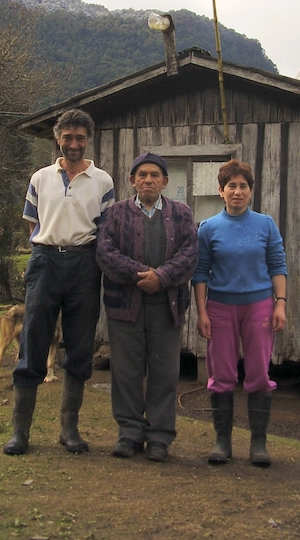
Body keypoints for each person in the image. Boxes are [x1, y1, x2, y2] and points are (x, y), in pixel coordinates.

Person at [4, 108, 115, 456]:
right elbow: (31, 223)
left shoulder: (103, 181)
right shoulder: (40, 178)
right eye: (67, 137)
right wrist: (45, 251)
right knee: (33, 340)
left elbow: (107, 230)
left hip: (85, 263)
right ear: (58, 138)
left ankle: (69, 430)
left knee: (80, 347)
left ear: (88, 140)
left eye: (80, 137)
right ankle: (20, 432)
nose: (73, 144)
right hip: (46, 260)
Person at [96, 152, 198, 462]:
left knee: (164, 372)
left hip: (167, 305)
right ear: (132, 181)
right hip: (125, 305)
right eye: (142, 175)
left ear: (165, 181)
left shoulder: (182, 214)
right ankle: (129, 434)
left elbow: (190, 253)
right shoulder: (115, 214)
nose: (148, 180)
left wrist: (162, 277)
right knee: (125, 372)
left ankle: (159, 437)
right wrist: (140, 274)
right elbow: (105, 251)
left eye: (155, 175)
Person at [193, 159, 287, 467]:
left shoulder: (265, 225)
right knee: (222, 374)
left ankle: (258, 443)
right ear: (220, 191)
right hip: (219, 308)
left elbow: (277, 265)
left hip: (259, 306)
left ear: (250, 192)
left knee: (259, 373)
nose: (237, 191)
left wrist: (280, 303)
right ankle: (223, 441)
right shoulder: (208, 228)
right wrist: (202, 312)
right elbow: (200, 273)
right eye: (231, 186)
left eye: (243, 186)